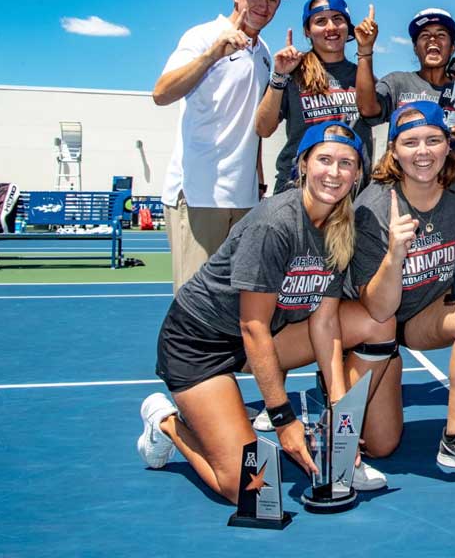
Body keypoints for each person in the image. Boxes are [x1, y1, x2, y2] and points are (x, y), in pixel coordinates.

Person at [136, 123, 389, 500]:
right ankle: (167, 422)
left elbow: (324, 321)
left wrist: (339, 409)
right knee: (251, 490)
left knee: (371, 321)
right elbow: (252, 326)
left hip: (261, 339)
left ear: (356, 175)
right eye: (324, 160)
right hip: (200, 343)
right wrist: (284, 418)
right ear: (303, 164)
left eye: (346, 163)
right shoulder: (276, 223)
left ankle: (333, 444)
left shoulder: (341, 228)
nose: (333, 173)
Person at [342, 101, 455, 478]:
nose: (422, 152)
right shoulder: (372, 207)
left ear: (448, 145)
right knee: (381, 446)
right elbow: (378, 309)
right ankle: (344, 379)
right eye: (411, 142)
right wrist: (395, 255)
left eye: (433, 140)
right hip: (378, 327)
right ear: (394, 151)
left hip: (426, 315)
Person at [153, 0, 286, 292]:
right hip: (199, 193)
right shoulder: (203, 35)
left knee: (234, 300)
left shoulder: (264, 53)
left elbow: (252, 124)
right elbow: (162, 93)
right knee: (195, 301)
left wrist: (257, 179)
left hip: (243, 197)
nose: (263, 5)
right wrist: (211, 55)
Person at [255, 0, 381, 192]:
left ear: (348, 27)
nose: (330, 27)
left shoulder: (363, 77)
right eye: (321, 21)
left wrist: (365, 49)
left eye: (338, 19)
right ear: (307, 31)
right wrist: (279, 75)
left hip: (349, 194)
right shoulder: (293, 72)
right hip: (298, 189)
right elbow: (263, 128)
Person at [375, 9, 455, 169]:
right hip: (406, 187)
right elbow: (368, 110)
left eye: (441, 35)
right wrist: (365, 52)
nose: (433, 40)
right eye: (425, 36)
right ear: (415, 47)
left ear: (453, 48)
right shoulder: (397, 82)